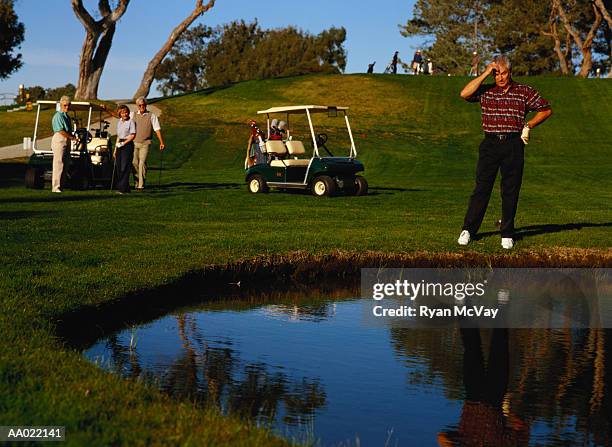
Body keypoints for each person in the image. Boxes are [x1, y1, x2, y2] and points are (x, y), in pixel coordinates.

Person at [457, 55, 552, 249]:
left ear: (510, 71)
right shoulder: (485, 90)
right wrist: (485, 73)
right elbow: (464, 94)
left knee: (510, 190)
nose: (500, 78)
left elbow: (545, 109)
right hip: (490, 144)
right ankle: (468, 229)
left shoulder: (524, 91)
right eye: (496, 74)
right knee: (482, 188)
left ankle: (507, 233)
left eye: (503, 73)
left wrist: (529, 124)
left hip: (513, 144)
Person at [102, 97, 165, 190]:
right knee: (134, 163)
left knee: (142, 163)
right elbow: (118, 115)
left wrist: (161, 142)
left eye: (143, 105)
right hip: (134, 143)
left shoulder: (151, 115)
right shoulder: (132, 114)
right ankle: (136, 182)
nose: (142, 107)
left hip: (146, 143)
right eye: (140, 105)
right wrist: (106, 109)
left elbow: (157, 129)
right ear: (137, 106)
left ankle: (141, 185)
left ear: (146, 105)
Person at [50, 96, 77, 193]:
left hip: (66, 139)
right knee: (58, 163)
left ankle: (61, 186)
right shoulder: (58, 116)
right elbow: (60, 130)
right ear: (61, 105)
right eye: (65, 105)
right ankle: (56, 187)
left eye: (68, 105)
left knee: (65, 164)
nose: (67, 107)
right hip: (59, 139)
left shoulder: (67, 116)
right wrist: (71, 137)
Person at [113, 105, 136, 194]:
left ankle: (122, 189)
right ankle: (126, 188)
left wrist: (124, 143)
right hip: (120, 145)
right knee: (119, 167)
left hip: (127, 145)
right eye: (123, 112)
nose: (125, 114)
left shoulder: (131, 122)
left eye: (126, 112)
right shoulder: (119, 122)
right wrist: (115, 149)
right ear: (120, 114)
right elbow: (119, 136)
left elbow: (133, 135)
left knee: (125, 167)